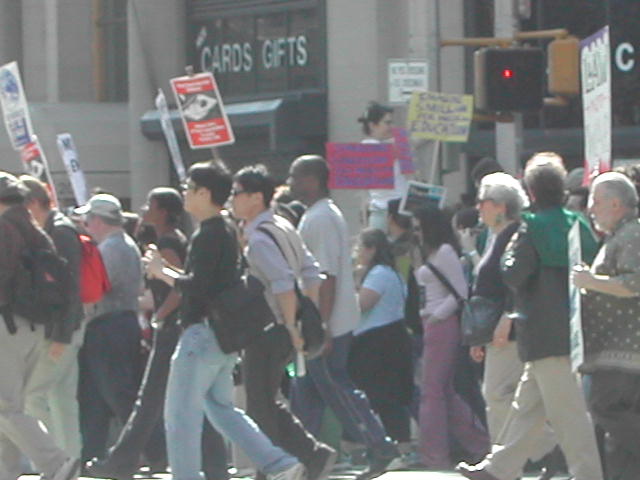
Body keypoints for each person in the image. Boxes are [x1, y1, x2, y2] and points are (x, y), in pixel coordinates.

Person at [144, 160, 306, 480]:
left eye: (188, 189)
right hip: (221, 338)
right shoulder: (226, 229)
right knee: (221, 409)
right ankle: (279, 464)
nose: (185, 195)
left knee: (180, 417)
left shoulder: (209, 233)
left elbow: (197, 288)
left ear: (204, 193)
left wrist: (161, 271)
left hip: (201, 335)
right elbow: (206, 282)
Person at [457, 153, 603, 480]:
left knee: (570, 418)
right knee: (526, 408)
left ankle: (589, 474)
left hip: (541, 331)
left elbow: (513, 274)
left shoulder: (531, 227)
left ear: (532, 193)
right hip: (573, 329)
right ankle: (500, 468)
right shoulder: (577, 223)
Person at [85, 187, 229, 480]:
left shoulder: (167, 242)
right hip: (178, 328)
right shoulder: (173, 239)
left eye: (150, 204)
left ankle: (122, 462)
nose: (143, 210)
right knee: (180, 400)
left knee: (151, 400)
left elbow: (180, 285)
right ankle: (213, 465)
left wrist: (161, 316)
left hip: (172, 329)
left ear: (163, 211)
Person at [287, 155, 398, 480]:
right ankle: (301, 461)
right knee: (305, 392)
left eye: (296, 176)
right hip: (321, 321)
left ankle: (379, 444)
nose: (291, 183)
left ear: (313, 180)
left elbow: (327, 277)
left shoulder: (320, 218)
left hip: (326, 323)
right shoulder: (319, 215)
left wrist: (321, 327)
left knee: (335, 388)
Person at [231, 164, 337, 480]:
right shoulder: (282, 226)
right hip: (281, 328)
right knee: (265, 400)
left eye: (237, 194)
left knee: (260, 404)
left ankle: (299, 459)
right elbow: (311, 273)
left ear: (255, 197)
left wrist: (291, 324)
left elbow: (282, 284)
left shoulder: (259, 238)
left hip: (268, 328)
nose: (232, 200)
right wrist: (307, 315)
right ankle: (302, 458)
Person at [0, 172, 80, 480]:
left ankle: (57, 463)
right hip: (36, 330)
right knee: (10, 409)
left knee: (4, 408)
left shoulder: (4, 229)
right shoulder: (37, 231)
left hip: (7, 326)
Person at [573, 172, 640, 480]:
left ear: (616, 204)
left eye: (596, 201)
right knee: (616, 441)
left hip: (623, 351)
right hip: (611, 350)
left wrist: (591, 281)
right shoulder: (618, 237)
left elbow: (632, 284)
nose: (591, 209)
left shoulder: (632, 235)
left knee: (606, 409)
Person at [413, 206, 489, 469]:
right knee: (443, 390)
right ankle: (479, 443)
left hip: (441, 325)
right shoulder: (431, 252)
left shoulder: (444, 252)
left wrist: (436, 316)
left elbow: (461, 292)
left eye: (418, 227)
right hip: (433, 323)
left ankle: (435, 454)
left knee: (431, 391)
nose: (416, 232)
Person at [74, 194, 144, 463]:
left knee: (118, 393)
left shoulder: (111, 249)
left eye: (88, 219)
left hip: (109, 325)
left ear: (98, 220)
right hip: (116, 324)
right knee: (96, 397)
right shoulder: (124, 245)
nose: (85, 225)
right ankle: (93, 453)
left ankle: (147, 450)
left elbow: (97, 291)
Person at [19, 175, 84, 461]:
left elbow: (70, 287)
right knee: (61, 401)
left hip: (62, 330)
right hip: (66, 328)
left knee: (30, 396)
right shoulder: (57, 230)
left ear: (33, 203)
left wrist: (61, 336)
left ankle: (55, 461)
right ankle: (68, 464)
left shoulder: (59, 233)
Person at [349, 229, 413, 450]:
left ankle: (393, 443)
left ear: (372, 249)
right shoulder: (393, 273)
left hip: (377, 340)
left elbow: (362, 304)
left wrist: (354, 287)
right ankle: (397, 442)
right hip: (390, 336)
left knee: (382, 394)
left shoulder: (379, 274)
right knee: (387, 393)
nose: (357, 253)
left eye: (360, 248)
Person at [358, 101, 408, 230]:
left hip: (396, 208)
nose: (392, 126)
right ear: (373, 125)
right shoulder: (368, 146)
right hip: (384, 210)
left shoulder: (388, 145)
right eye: (387, 123)